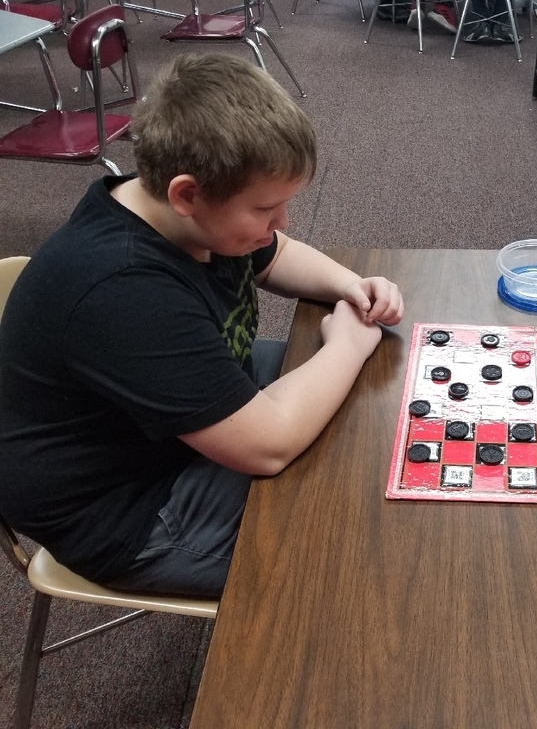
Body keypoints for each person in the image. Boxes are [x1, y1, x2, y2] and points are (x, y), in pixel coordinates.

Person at [0, 53, 404, 598]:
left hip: (164, 429)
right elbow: (269, 444)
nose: (281, 222)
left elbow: (275, 253)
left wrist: (348, 284)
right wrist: (348, 344)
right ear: (187, 194)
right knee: (358, 549)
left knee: (368, 418)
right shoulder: (122, 289)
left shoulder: (172, 209)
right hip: (129, 509)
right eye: (267, 208)